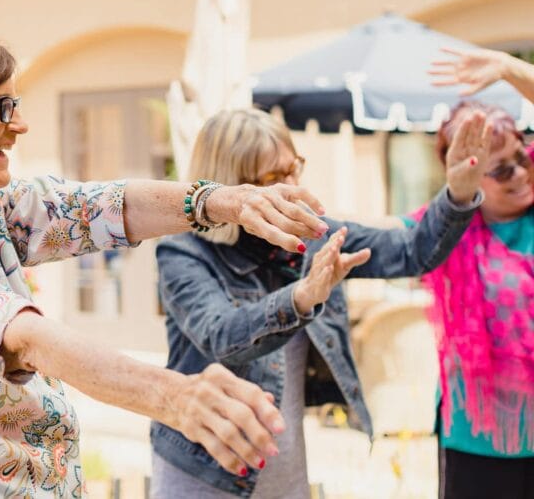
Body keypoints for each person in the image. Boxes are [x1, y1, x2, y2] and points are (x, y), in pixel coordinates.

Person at [0, 28, 334, 497]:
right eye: (2, 107)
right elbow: (27, 338)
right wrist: (175, 397)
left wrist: (224, 200)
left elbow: (101, 207)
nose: (20, 125)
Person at [150, 107, 489, 498]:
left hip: (283, 468)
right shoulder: (183, 252)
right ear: (233, 188)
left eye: (295, 167)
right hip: (203, 472)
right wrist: (299, 297)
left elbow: (410, 252)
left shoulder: (310, 232)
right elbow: (222, 335)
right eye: (275, 178)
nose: (294, 185)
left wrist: (458, 193)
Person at [424, 47, 534, 498]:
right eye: (502, 168)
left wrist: (510, 70)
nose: (522, 173)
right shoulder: (442, 231)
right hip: (476, 440)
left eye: (524, 156)